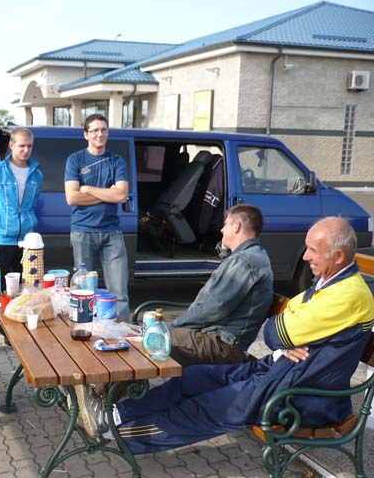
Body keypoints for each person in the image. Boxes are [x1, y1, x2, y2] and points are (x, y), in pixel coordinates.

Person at [76, 217, 374, 453]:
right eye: (307, 248)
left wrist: (287, 335)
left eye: (313, 251)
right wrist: (288, 337)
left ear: (338, 256)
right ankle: (115, 414)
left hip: (300, 396)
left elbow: (276, 333)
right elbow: (280, 330)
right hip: (279, 371)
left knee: (204, 407)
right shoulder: (328, 283)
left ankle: (117, 437)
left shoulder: (348, 294)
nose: (305, 256)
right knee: (194, 378)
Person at [169, 204, 273, 366]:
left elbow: (215, 307)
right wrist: (224, 250)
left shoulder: (243, 261)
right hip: (221, 339)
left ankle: (133, 383)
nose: (222, 230)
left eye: (225, 225)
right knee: (150, 338)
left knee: (152, 339)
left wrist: (174, 325)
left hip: (223, 345)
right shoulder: (251, 255)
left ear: (236, 226)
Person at [0, 127, 42, 346]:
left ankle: (12, 336)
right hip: (3, 238)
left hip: (27, 240)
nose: (25, 150)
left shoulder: (37, 174)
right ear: (12, 145)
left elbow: (33, 203)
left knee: (23, 290)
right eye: (21, 145)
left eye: (29, 146)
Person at [64, 114, 129, 319]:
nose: (100, 134)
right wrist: (108, 194)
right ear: (86, 134)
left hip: (112, 233)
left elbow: (121, 195)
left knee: (119, 293)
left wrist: (89, 189)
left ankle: (121, 332)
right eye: (94, 130)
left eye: (103, 130)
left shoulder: (117, 161)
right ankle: (85, 330)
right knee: (84, 291)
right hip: (83, 232)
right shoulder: (75, 160)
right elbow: (72, 198)